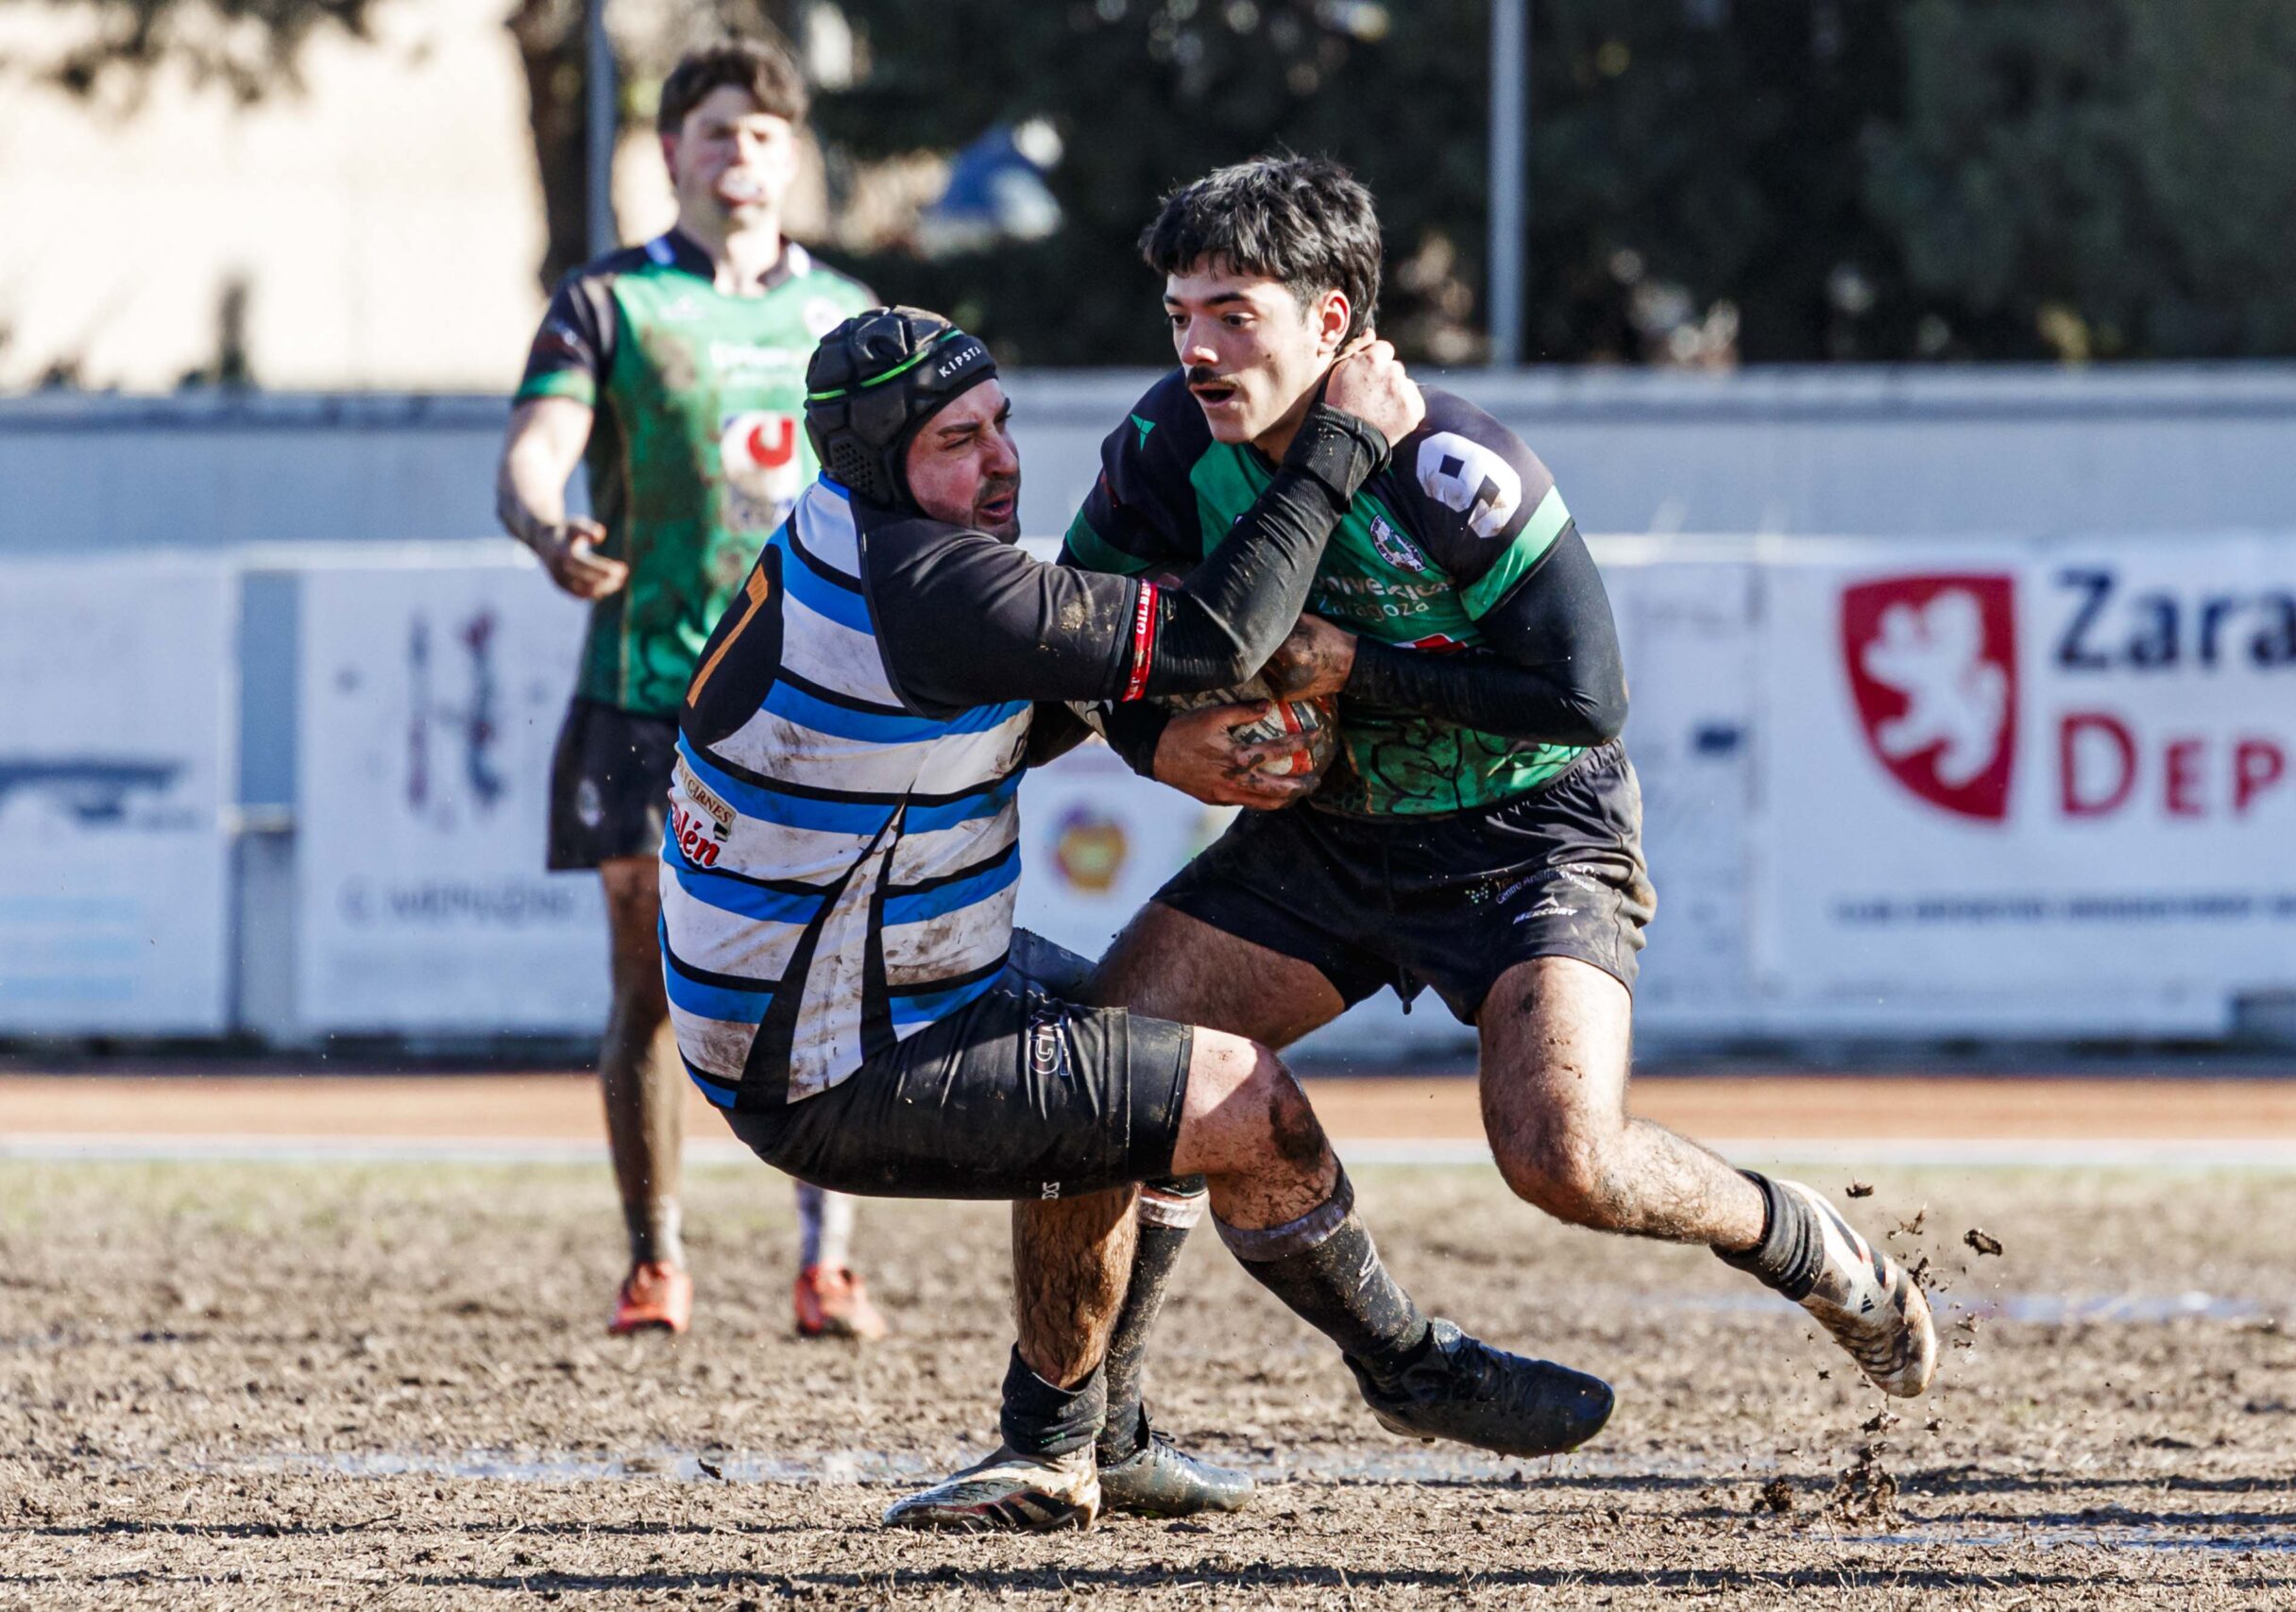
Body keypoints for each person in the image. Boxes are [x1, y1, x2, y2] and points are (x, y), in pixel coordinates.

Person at [661, 305, 1615, 1532]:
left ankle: (1082, 1440)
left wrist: (1167, 736)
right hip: (837, 1060)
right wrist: (1340, 444)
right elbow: (1220, 633)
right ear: (875, 461)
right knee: (1243, 1105)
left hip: (876, 1001)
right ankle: (1406, 1365)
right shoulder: (929, 583)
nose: (1002, 459)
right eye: (959, 439)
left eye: (1001, 422)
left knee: (1144, 1035)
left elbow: (1056, 703)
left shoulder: (858, 545)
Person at [1052, 157, 1938, 1424]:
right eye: (1181, 314)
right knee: (1117, 1076)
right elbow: (1091, 636)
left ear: (1332, 321)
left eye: (1233, 314)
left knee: (1563, 1160)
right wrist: (1153, 747)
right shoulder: (1162, 443)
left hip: (1532, 838)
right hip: (1330, 836)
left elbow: (1585, 699)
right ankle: (1108, 1426)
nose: (1197, 348)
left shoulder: (1456, 464)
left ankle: (1793, 1235)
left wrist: (1355, 666)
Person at [495, 38, 885, 1340]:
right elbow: (535, 451)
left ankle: (828, 1261)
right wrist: (548, 527)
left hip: (813, 699)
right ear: (671, 153)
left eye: (764, 135)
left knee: (831, 978)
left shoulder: (849, 316)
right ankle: (655, 1257)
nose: (740, 157)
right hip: (644, 694)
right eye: (716, 133)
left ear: (792, 155)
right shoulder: (606, 303)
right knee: (650, 980)